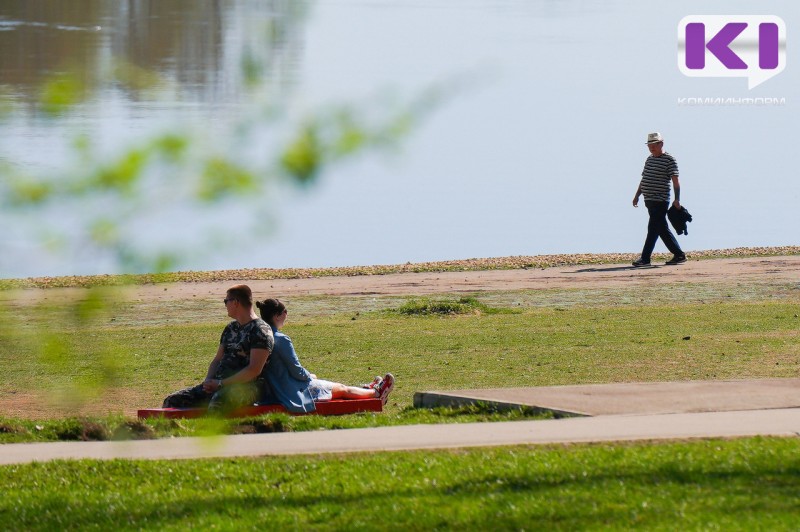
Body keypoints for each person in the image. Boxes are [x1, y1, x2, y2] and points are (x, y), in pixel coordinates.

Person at [255, 297, 394, 413]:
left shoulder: (258, 337)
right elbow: (297, 371)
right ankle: (377, 393)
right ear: (277, 316)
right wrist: (309, 376)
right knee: (341, 389)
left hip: (274, 390)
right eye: (285, 311)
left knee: (334, 386)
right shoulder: (281, 339)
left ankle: (367, 390)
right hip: (293, 392)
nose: (286, 314)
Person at [162, 284, 274, 413]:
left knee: (218, 401)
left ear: (236, 302)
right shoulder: (231, 328)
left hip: (246, 388)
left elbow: (254, 370)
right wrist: (208, 381)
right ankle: (178, 432)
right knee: (172, 400)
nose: (225, 305)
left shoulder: (260, 330)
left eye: (226, 301)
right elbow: (217, 360)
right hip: (219, 384)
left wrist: (221, 383)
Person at [631, 132, 687, 267]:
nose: (651, 147)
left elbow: (675, 181)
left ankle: (645, 258)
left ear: (661, 143)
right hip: (649, 200)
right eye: (649, 145)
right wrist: (637, 195)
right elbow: (644, 179)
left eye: (654, 144)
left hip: (660, 201)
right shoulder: (649, 159)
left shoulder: (669, 159)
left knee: (652, 228)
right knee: (661, 229)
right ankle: (679, 255)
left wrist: (677, 199)